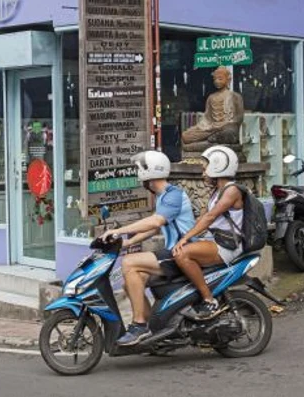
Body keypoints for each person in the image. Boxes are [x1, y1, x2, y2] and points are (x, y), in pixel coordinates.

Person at [99, 150, 196, 346]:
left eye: (139, 169)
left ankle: (139, 325)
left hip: (181, 252)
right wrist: (127, 242)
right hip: (172, 251)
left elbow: (154, 222)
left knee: (129, 263)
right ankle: (156, 331)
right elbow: (156, 227)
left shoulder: (173, 195)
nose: (138, 174)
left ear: (149, 171)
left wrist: (119, 232)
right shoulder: (163, 197)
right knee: (130, 282)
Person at [172, 145, 244, 321]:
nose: (203, 174)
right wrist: (187, 235)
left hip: (227, 245)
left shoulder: (232, 190)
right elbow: (203, 218)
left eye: (206, 169)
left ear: (218, 167)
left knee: (182, 254)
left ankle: (209, 300)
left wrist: (186, 238)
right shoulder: (217, 192)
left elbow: (210, 217)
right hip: (217, 241)